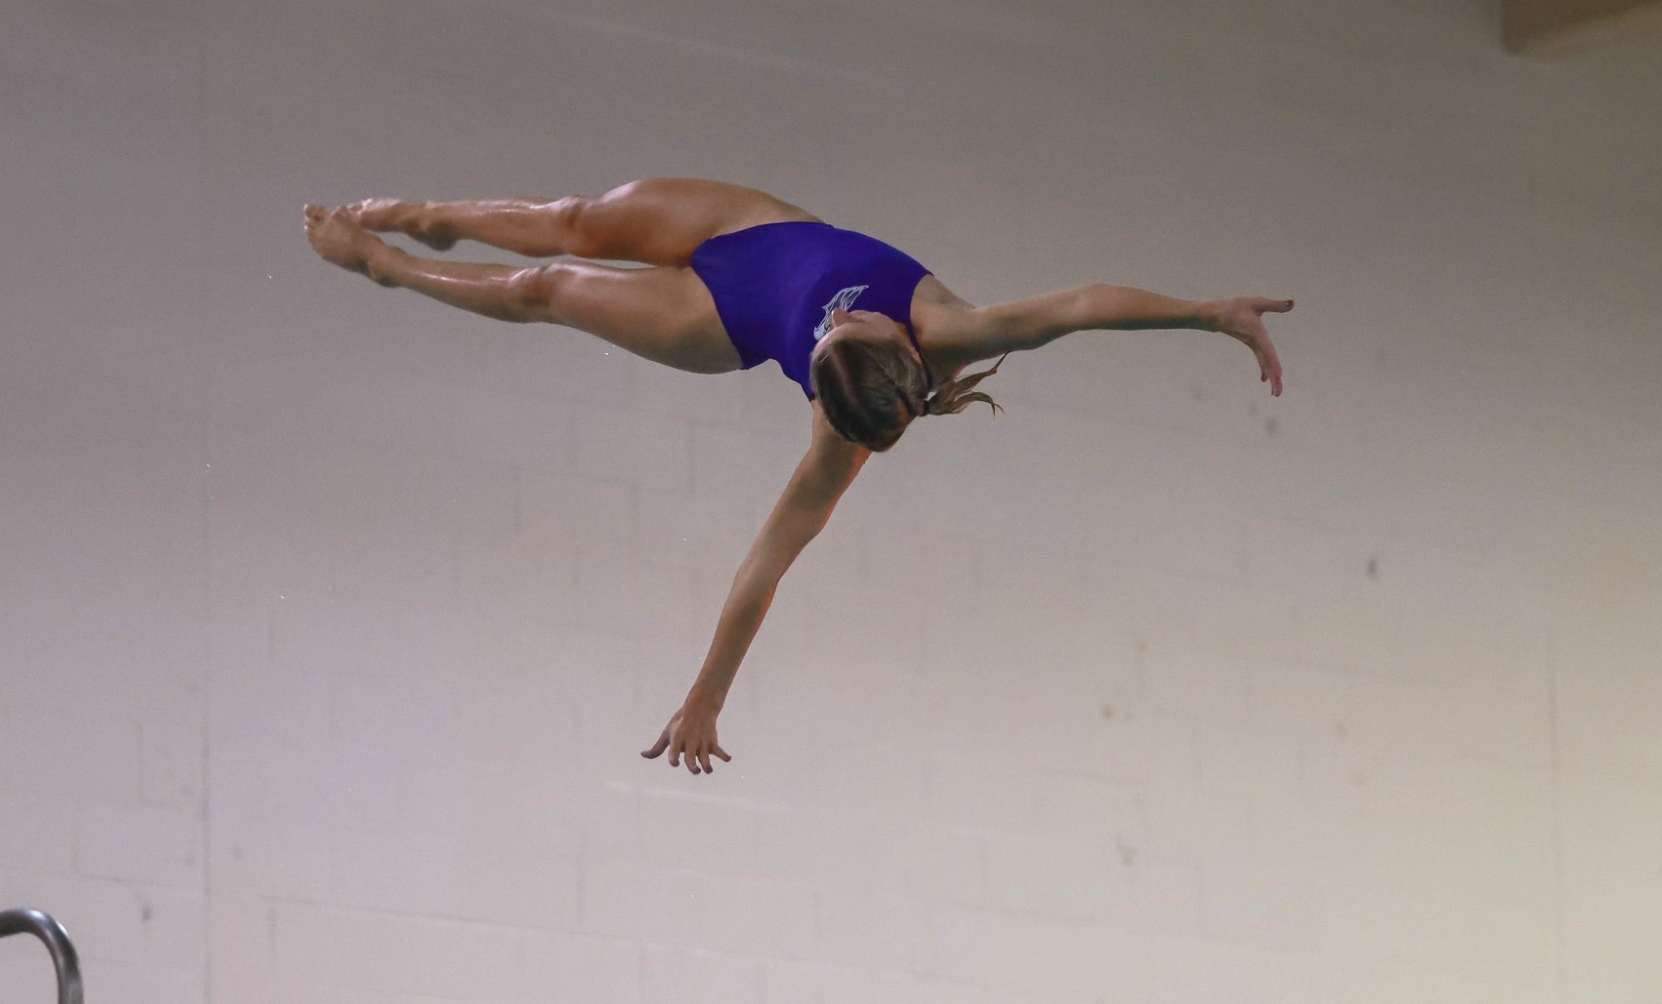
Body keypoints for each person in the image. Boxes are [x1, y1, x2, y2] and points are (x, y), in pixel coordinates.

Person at [302, 178, 1293, 776]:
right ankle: (428, 214)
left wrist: (706, 697)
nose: (836, 320)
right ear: (898, 343)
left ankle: (387, 265)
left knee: (545, 287)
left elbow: (762, 570)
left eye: (823, 346)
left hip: (721, 320)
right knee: (573, 216)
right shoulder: (950, 326)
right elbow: (1079, 306)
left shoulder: (832, 441)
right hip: (756, 229)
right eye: (845, 328)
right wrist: (1205, 314)